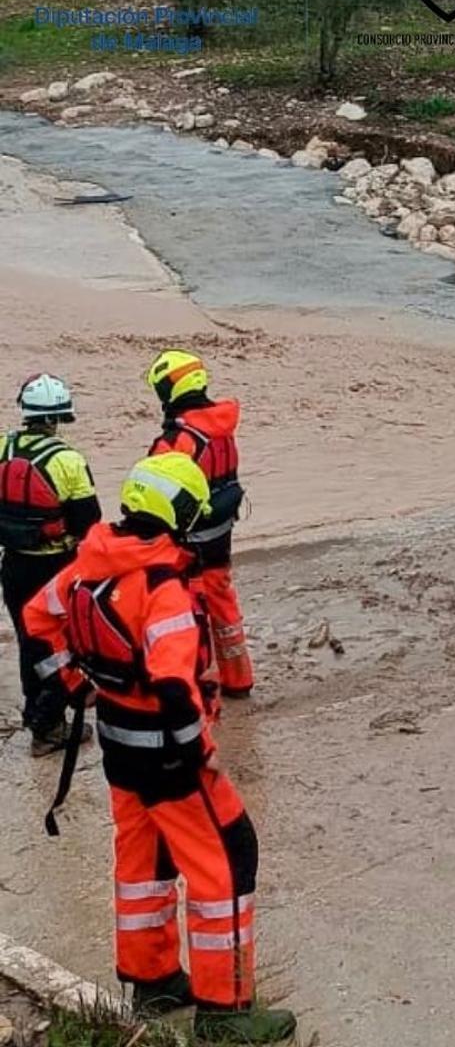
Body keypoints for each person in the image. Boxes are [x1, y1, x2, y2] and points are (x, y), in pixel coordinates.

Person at [23, 453, 295, 1043]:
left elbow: (35, 618)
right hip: (172, 759)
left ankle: (152, 983)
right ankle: (226, 1014)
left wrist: (76, 685)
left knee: (142, 865)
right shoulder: (163, 587)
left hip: (121, 752)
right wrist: (202, 752)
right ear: (181, 518)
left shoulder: (87, 565)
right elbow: (176, 687)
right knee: (228, 859)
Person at [0, 373, 101, 754]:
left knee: (29, 641)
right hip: (56, 567)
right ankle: (48, 725)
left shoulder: (2, 447)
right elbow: (88, 520)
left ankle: (35, 711)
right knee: (64, 645)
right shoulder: (69, 461)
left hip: (13, 566)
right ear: (60, 417)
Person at [145, 350, 252, 696]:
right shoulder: (222, 428)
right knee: (223, 604)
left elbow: (153, 499)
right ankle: (239, 679)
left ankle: (194, 683)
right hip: (222, 534)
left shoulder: (178, 441)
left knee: (186, 613)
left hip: (188, 543)